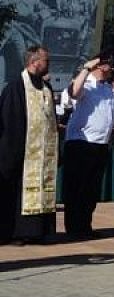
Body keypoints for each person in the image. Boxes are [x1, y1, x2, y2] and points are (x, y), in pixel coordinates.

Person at [0, 45, 57, 244]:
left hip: (43, 154)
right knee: (16, 194)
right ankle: (16, 233)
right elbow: (8, 121)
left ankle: (39, 231)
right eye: (46, 61)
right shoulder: (15, 88)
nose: (49, 64)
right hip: (21, 153)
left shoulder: (46, 88)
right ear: (34, 62)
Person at [62, 51, 114, 238]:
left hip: (100, 144)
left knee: (91, 189)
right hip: (81, 142)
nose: (112, 68)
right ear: (100, 66)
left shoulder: (107, 88)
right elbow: (75, 93)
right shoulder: (85, 83)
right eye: (108, 64)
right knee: (77, 187)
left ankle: (85, 225)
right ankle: (74, 228)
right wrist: (86, 67)